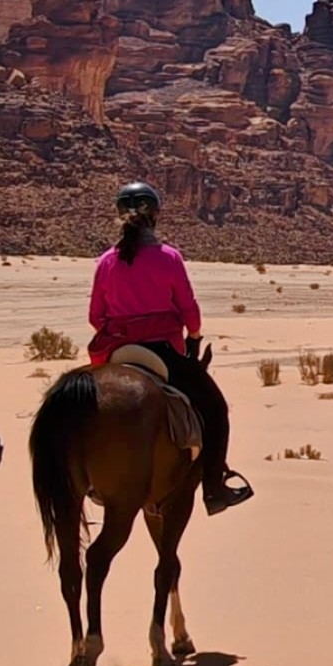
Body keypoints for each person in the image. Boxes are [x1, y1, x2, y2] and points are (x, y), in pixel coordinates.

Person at [83, 180, 255, 513]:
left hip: (118, 352)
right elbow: (189, 308)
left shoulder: (106, 261)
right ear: (156, 216)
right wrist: (193, 336)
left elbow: (95, 316)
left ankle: (89, 478)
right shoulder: (169, 257)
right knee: (216, 410)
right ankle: (215, 489)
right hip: (163, 351)